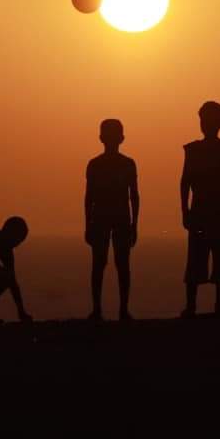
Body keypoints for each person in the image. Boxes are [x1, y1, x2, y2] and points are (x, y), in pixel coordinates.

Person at [180, 101, 220, 318]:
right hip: (204, 211)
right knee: (199, 258)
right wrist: (185, 211)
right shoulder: (194, 149)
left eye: (207, 120)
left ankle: (211, 307)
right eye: (203, 119)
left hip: (217, 211)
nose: (204, 124)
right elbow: (185, 182)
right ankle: (195, 307)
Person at [85, 119, 139, 321]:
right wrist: (135, 224)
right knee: (115, 265)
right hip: (115, 218)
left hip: (110, 218)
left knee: (105, 265)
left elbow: (89, 197)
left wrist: (87, 223)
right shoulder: (124, 164)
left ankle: (105, 310)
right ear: (122, 138)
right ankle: (116, 310)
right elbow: (134, 196)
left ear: (101, 138)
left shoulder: (100, 164)